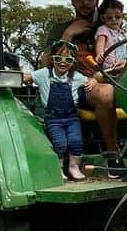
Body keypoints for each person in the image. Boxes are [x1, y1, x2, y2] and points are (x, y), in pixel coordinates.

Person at [45, 0, 124, 178]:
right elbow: (45, 62)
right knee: (105, 94)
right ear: (73, 2)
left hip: (114, 79)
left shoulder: (107, 24)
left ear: (96, 0)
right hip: (76, 87)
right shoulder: (61, 29)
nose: (85, 3)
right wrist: (69, 34)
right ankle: (113, 154)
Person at [26, 41, 87, 181]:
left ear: (73, 61)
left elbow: (90, 81)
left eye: (68, 60)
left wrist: (94, 82)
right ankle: (58, 169)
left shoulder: (76, 76)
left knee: (76, 141)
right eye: (58, 58)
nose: (63, 63)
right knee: (60, 143)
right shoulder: (43, 74)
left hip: (72, 117)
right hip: (53, 118)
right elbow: (27, 77)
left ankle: (74, 167)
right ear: (52, 59)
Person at [94, 0, 127, 75]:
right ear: (103, 18)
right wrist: (99, 54)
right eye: (109, 17)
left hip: (122, 64)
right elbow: (100, 42)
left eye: (117, 17)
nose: (114, 19)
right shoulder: (103, 29)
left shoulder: (122, 33)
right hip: (110, 68)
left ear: (122, 17)